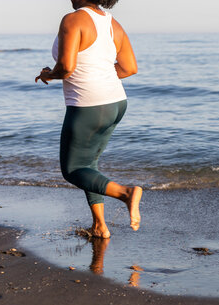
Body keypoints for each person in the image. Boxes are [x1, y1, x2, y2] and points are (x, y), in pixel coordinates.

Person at [36, 0, 141, 239]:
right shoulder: (112, 24)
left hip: (88, 104)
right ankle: (99, 226)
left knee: (73, 169)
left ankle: (126, 193)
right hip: (116, 102)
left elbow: (65, 67)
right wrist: (98, 74)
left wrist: (47, 74)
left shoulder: (73, 20)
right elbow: (129, 68)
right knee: (89, 166)